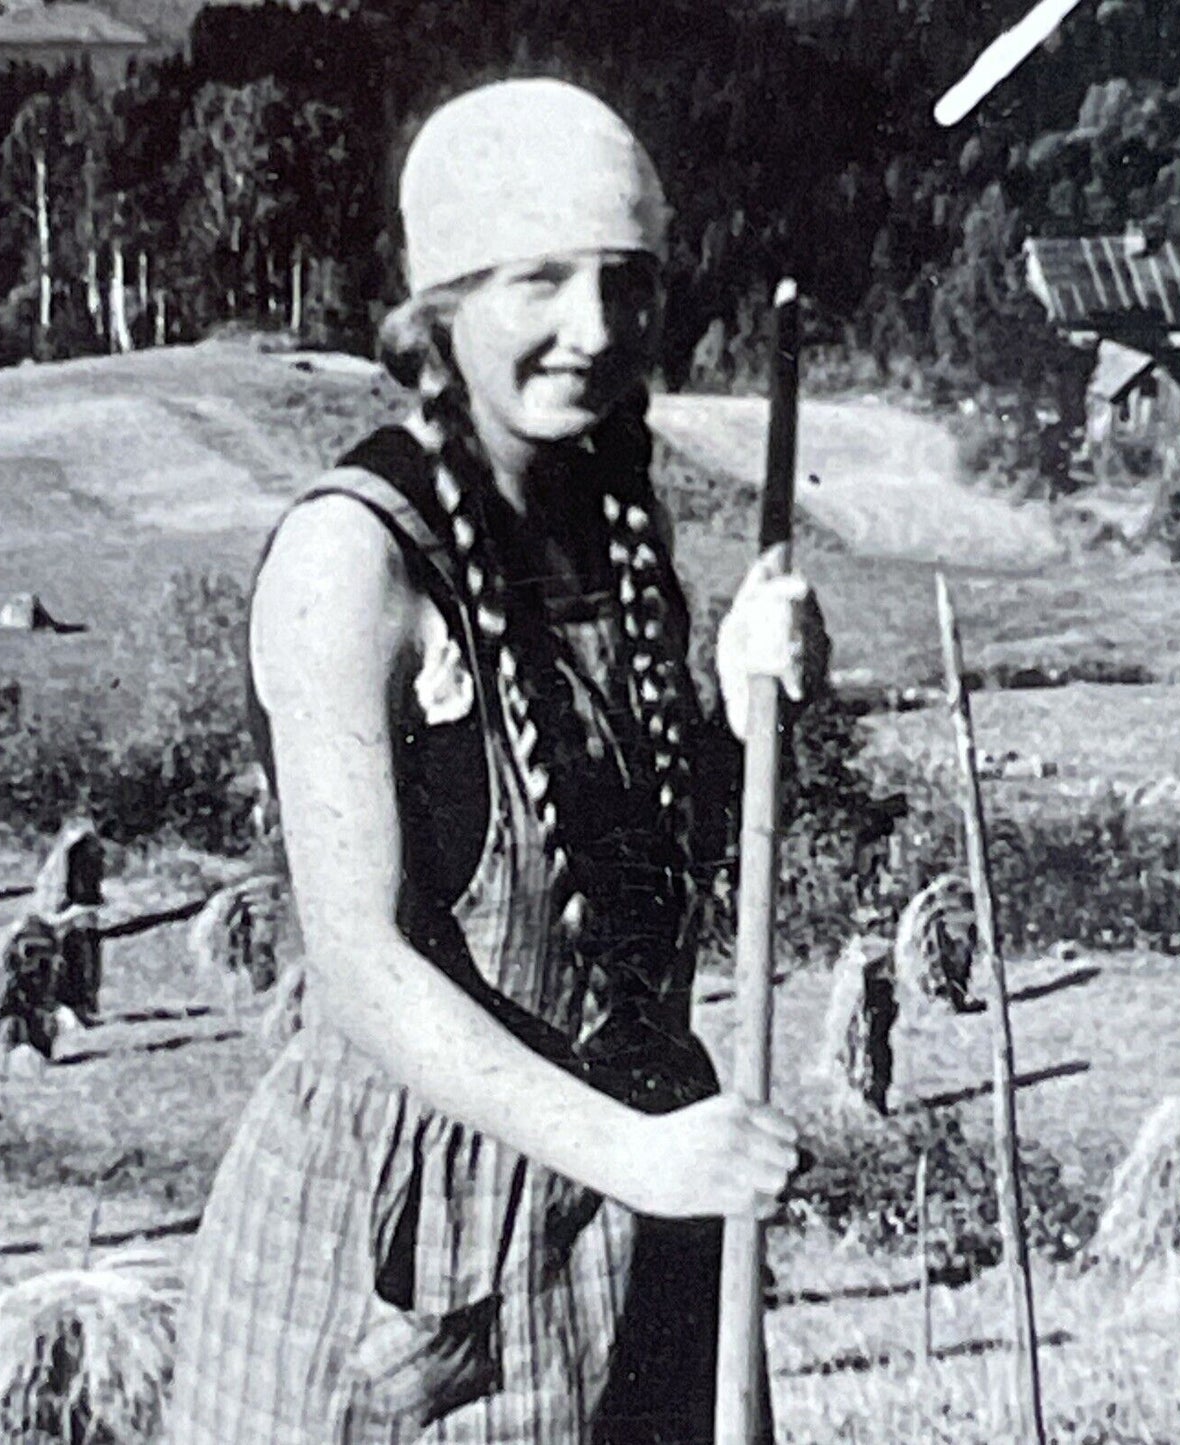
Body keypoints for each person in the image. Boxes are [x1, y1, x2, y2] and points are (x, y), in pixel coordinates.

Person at [167, 77, 829, 1445]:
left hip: (630, 1247)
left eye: (627, 282)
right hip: (408, 1261)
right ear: (441, 306)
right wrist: (639, 1153)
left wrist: (734, 711)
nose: (595, 328)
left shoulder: (613, 530)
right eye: (541, 279)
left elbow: (631, 899)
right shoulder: (350, 561)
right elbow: (360, 967)